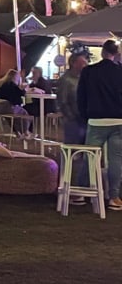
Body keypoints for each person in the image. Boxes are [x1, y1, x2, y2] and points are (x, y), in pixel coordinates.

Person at [78, 39, 122, 211]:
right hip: (118, 119)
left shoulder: (89, 71)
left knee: (90, 156)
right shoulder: (120, 71)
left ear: (102, 52)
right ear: (116, 53)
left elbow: (81, 96)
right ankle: (114, 196)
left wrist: (85, 115)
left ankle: (82, 192)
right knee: (116, 159)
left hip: (96, 119)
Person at [56, 52, 90, 203]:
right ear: (74, 63)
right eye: (83, 62)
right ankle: (70, 187)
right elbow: (62, 101)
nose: (86, 64)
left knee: (86, 154)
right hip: (73, 121)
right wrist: (70, 117)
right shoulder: (66, 80)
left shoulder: (84, 78)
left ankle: (82, 187)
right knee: (72, 155)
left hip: (85, 120)